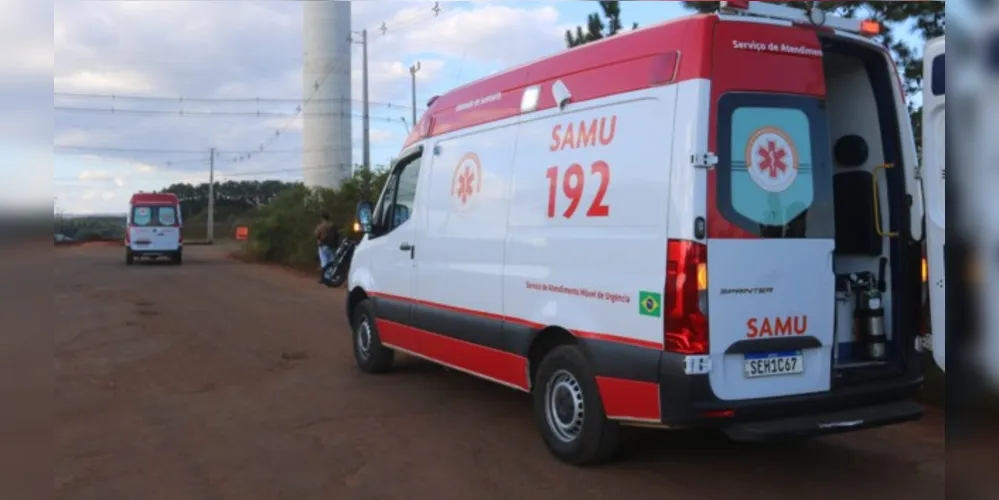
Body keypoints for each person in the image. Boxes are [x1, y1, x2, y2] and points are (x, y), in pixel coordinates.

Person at [314, 213, 339, 283]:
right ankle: (331, 276)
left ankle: (324, 278)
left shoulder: (321, 226)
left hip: (323, 246)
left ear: (322, 218)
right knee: (331, 261)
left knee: (324, 262)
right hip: (332, 246)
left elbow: (316, 235)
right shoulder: (333, 225)